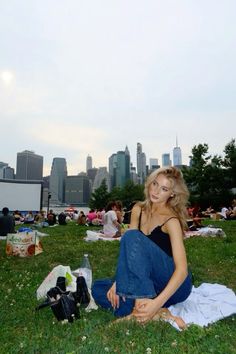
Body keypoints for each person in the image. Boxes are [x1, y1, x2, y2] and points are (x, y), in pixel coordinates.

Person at [92, 167, 192, 325]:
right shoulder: (138, 209)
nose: (156, 191)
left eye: (164, 189)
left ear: (172, 194)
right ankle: (155, 313)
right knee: (98, 288)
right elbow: (130, 252)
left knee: (131, 236)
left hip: (173, 282)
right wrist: (119, 282)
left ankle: (146, 306)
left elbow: (182, 270)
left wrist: (156, 303)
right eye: (155, 184)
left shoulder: (171, 221)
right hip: (149, 282)